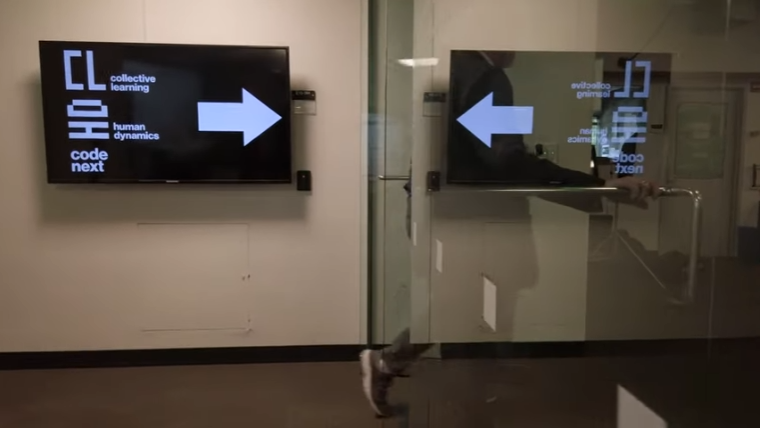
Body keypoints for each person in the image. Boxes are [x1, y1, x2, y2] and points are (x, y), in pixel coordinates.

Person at [360, 50, 661, 417]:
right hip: (473, 220)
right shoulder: (485, 78)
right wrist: (598, 186)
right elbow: (506, 158)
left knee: (465, 306)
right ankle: (453, 388)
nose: (517, 47)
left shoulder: (451, 72)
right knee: (468, 309)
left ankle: (431, 374)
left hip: (449, 215)